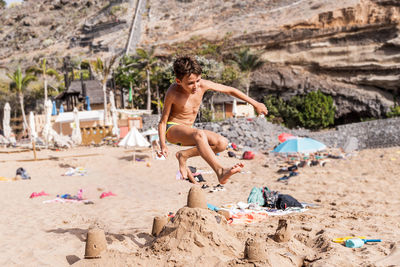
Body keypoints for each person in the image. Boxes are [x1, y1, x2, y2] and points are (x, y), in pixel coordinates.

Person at [158, 56, 268, 184]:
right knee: (199, 134)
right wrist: (163, 145)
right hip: (172, 129)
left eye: (197, 80)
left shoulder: (203, 85)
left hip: (189, 131)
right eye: (190, 83)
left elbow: (230, 90)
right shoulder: (173, 92)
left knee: (222, 143)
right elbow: (162, 122)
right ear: (178, 81)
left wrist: (255, 104)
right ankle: (220, 171)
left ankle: (183, 155)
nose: (195, 86)